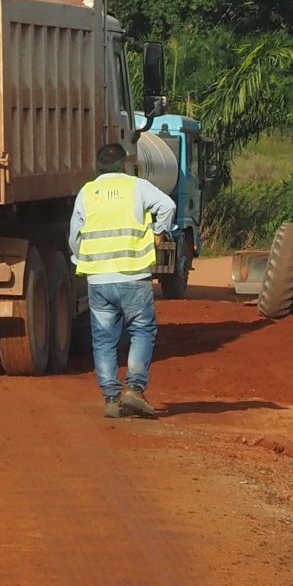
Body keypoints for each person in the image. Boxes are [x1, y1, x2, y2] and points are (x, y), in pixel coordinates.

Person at [69, 142, 177, 420]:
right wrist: (158, 232)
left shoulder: (87, 192)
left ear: (99, 166)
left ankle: (110, 398)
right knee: (141, 331)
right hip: (133, 275)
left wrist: (84, 258)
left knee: (104, 340)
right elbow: (168, 205)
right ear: (125, 164)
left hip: (99, 280)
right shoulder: (136, 187)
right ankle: (135, 390)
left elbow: (74, 237)